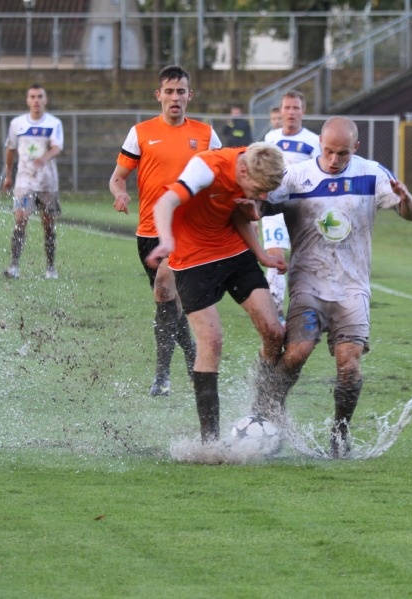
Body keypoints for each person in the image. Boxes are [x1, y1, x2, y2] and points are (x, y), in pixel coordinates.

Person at [254, 116, 412, 458]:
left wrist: (406, 200)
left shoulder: (372, 173)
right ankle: (269, 410)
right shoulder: (297, 177)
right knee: (297, 353)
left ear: (354, 149)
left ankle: (340, 431)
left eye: (342, 154)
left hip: (351, 289)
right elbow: (263, 205)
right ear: (320, 145)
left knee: (349, 365)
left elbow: (411, 214)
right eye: (328, 151)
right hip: (309, 284)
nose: (333, 160)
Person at [145, 142, 287, 444]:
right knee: (212, 341)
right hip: (193, 260)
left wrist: (261, 255)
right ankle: (210, 442)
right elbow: (165, 204)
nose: (262, 198)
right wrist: (167, 241)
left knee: (274, 331)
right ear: (244, 171)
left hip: (233, 252)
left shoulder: (255, 158)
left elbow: (236, 210)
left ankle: (260, 408)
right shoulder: (205, 167)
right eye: (259, 190)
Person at [109, 65, 221, 397]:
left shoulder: (206, 135)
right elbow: (117, 177)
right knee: (169, 305)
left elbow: (221, 177)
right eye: (169, 91)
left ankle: (162, 376)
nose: (175, 97)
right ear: (158, 95)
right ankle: (187, 361)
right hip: (150, 234)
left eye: (181, 91)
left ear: (190, 95)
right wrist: (120, 194)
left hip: (191, 232)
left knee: (170, 298)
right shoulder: (140, 132)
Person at [262, 90, 321, 322]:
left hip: (301, 209)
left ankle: (304, 309)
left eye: (296, 108)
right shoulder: (270, 138)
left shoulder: (314, 141)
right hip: (273, 207)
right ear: (281, 111)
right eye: (287, 107)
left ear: (303, 111)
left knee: (303, 261)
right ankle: (275, 311)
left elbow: (319, 173)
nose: (291, 112)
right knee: (276, 256)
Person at [2, 84, 64, 280]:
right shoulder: (17, 124)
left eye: (40, 96)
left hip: (47, 183)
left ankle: (50, 268)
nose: (36, 100)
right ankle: (14, 267)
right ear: (27, 100)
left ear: (45, 100)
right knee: (20, 220)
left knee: (48, 226)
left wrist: (43, 158)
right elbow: (11, 149)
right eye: (32, 97)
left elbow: (57, 147)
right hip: (24, 182)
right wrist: (8, 175)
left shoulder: (54, 123)